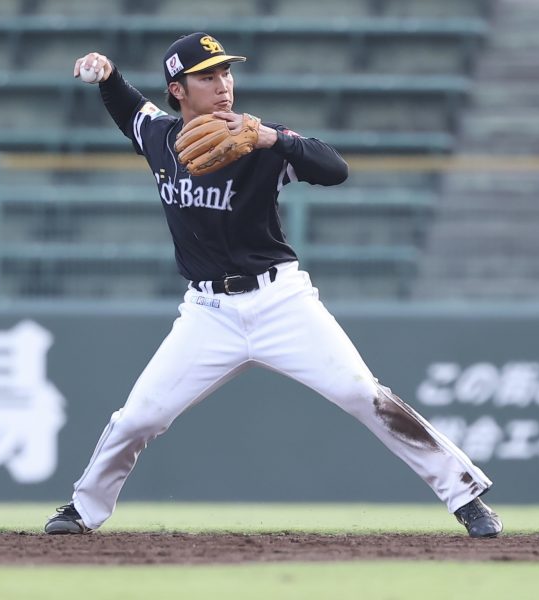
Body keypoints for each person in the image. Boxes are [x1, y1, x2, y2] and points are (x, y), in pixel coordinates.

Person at [46, 32, 503, 538]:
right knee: (138, 418)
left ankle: (467, 497)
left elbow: (335, 169)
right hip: (207, 312)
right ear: (178, 90)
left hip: (280, 300)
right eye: (207, 77)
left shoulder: (258, 140)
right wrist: (107, 74)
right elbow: (127, 106)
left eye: (226, 73)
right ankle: (82, 510)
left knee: (362, 393)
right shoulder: (158, 137)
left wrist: (274, 139)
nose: (223, 85)